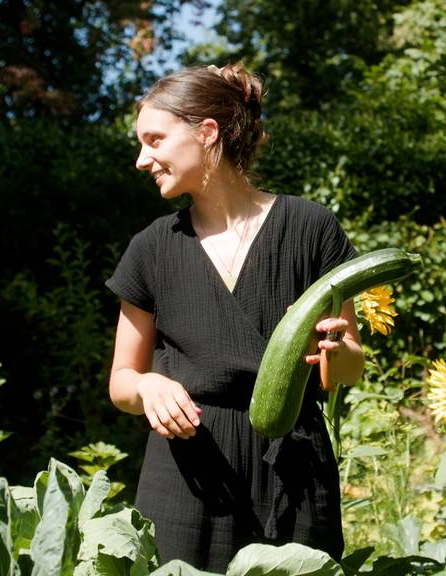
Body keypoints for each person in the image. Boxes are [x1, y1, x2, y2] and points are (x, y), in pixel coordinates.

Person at [105, 63, 364, 571]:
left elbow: (350, 367)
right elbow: (121, 382)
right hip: (187, 477)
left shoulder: (311, 228)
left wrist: (337, 352)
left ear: (206, 132)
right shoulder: (150, 249)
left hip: (296, 470)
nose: (142, 159)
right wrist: (150, 387)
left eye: (154, 139)